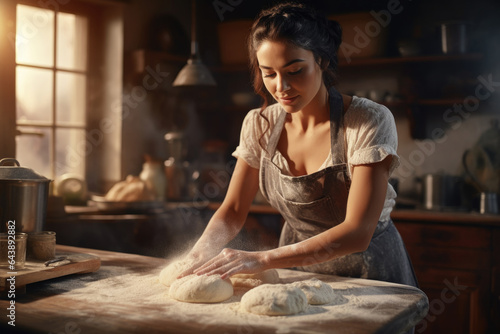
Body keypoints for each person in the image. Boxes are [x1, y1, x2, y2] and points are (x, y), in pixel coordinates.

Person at [180, 2, 418, 289]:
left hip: (368, 274)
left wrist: (264, 259)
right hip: (298, 273)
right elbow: (232, 209)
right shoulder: (259, 124)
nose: (282, 86)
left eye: (294, 71)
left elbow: (358, 231)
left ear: (322, 61)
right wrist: (199, 253)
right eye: (269, 73)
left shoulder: (367, 120)